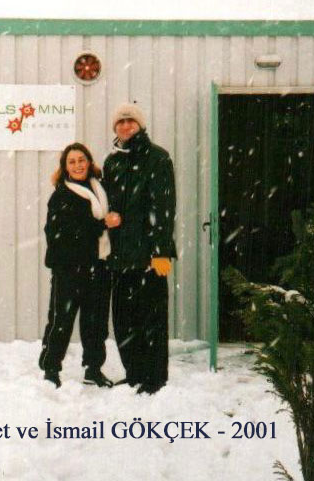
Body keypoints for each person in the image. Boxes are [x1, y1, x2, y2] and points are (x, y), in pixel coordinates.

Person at [103, 102, 176, 395]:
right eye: (120, 122)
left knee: (151, 319)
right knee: (124, 319)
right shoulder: (112, 162)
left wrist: (160, 252)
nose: (125, 126)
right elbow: (108, 203)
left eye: (130, 121)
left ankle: (154, 378)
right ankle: (133, 373)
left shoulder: (158, 158)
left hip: (149, 255)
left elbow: (164, 207)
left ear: (140, 125)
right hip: (120, 255)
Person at [39, 142, 121, 389]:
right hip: (69, 268)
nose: (77, 165)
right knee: (61, 321)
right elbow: (62, 234)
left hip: (99, 265)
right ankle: (51, 370)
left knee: (96, 322)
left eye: (81, 160)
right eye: (72, 161)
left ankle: (93, 369)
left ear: (89, 162)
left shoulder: (99, 188)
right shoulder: (61, 195)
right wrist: (102, 224)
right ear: (65, 167)